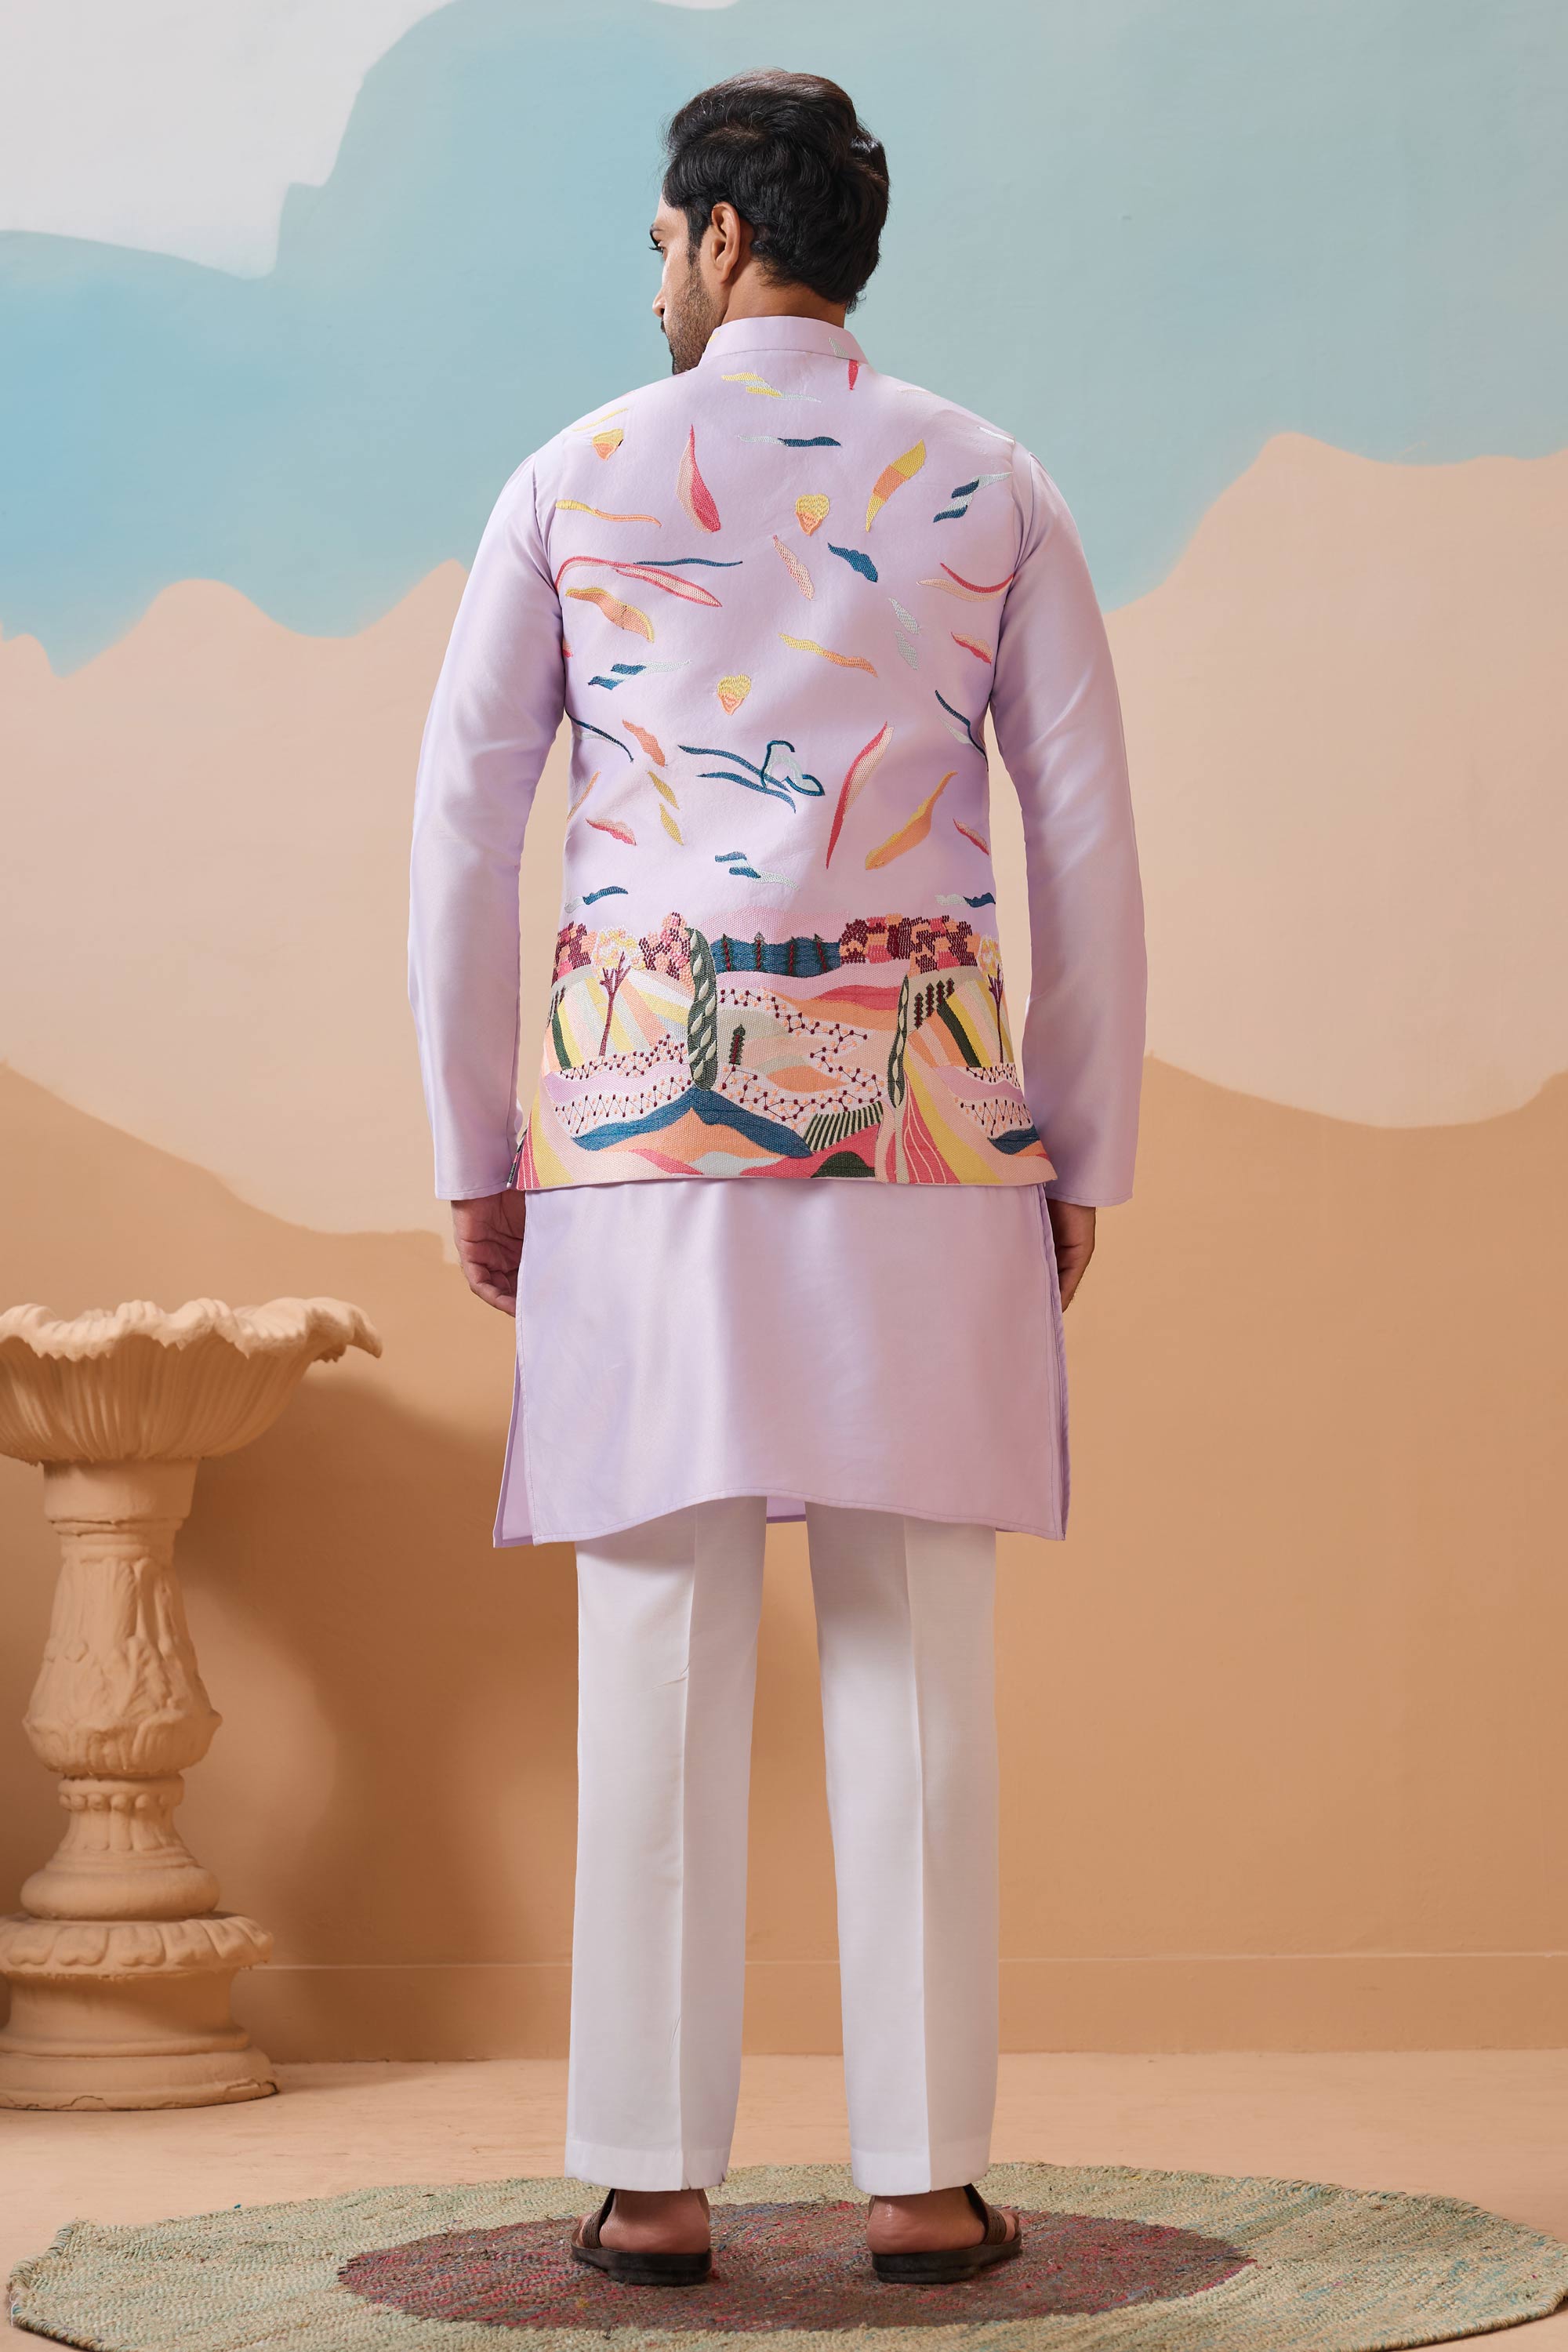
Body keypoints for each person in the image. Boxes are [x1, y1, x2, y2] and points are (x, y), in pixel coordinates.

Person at [408, 69, 1146, 2285]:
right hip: (926, 1119)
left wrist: (474, 1138)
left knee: (656, 1625)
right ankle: (921, 2178)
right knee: (917, 1645)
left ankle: (650, 2181)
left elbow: (465, 831)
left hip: (639, 1127)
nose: (658, 274)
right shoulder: (993, 480)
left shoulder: (571, 478)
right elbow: (1085, 837)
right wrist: (1078, 1141)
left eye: (664, 240)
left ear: (723, 237)